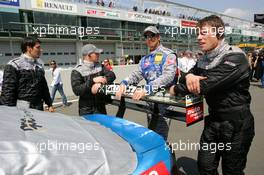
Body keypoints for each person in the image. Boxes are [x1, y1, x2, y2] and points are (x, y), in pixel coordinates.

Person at [169, 15, 254, 175]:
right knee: (205, 167)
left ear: (219, 33)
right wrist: (188, 76)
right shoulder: (204, 59)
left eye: (203, 33)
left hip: (237, 125)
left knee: (232, 171)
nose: (199, 38)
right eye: (198, 34)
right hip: (213, 122)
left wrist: (175, 89)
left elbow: (205, 85)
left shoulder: (236, 57)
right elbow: (184, 75)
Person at [116, 26, 177, 140]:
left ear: (158, 37)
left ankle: (163, 157)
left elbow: (169, 76)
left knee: (159, 138)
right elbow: (137, 74)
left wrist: (147, 88)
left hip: (163, 102)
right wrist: (124, 83)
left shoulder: (168, 54)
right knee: (151, 134)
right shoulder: (145, 59)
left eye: (152, 35)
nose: (149, 38)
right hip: (150, 103)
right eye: (146, 36)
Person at [0, 37, 54, 112]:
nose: (41, 50)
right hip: (22, 111)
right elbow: (8, 93)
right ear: (29, 48)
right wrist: (9, 113)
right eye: (38, 47)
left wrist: (49, 104)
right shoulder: (14, 65)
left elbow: (44, 87)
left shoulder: (39, 66)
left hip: (39, 108)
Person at [71, 44, 116, 116]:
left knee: (102, 127)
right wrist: (92, 81)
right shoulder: (77, 70)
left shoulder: (100, 66)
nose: (99, 54)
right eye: (96, 53)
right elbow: (77, 90)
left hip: (101, 107)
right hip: (86, 109)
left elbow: (112, 75)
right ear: (89, 55)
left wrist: (101, 83)